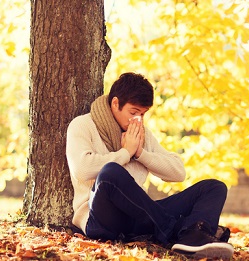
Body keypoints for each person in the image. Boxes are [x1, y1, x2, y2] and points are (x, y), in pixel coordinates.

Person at [66, 72, 234, 259]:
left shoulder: (140, 134)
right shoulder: (82, 125)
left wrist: (140, 154)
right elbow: (81, 169)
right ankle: (182, 231)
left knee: (214, 187)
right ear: (115, 104)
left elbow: (178, 172)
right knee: (110, 173)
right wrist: (125, 153)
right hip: (102, 220)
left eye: (143, 114)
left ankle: (192, 239)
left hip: (141, 218)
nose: (138, 120)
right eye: (133, 112)